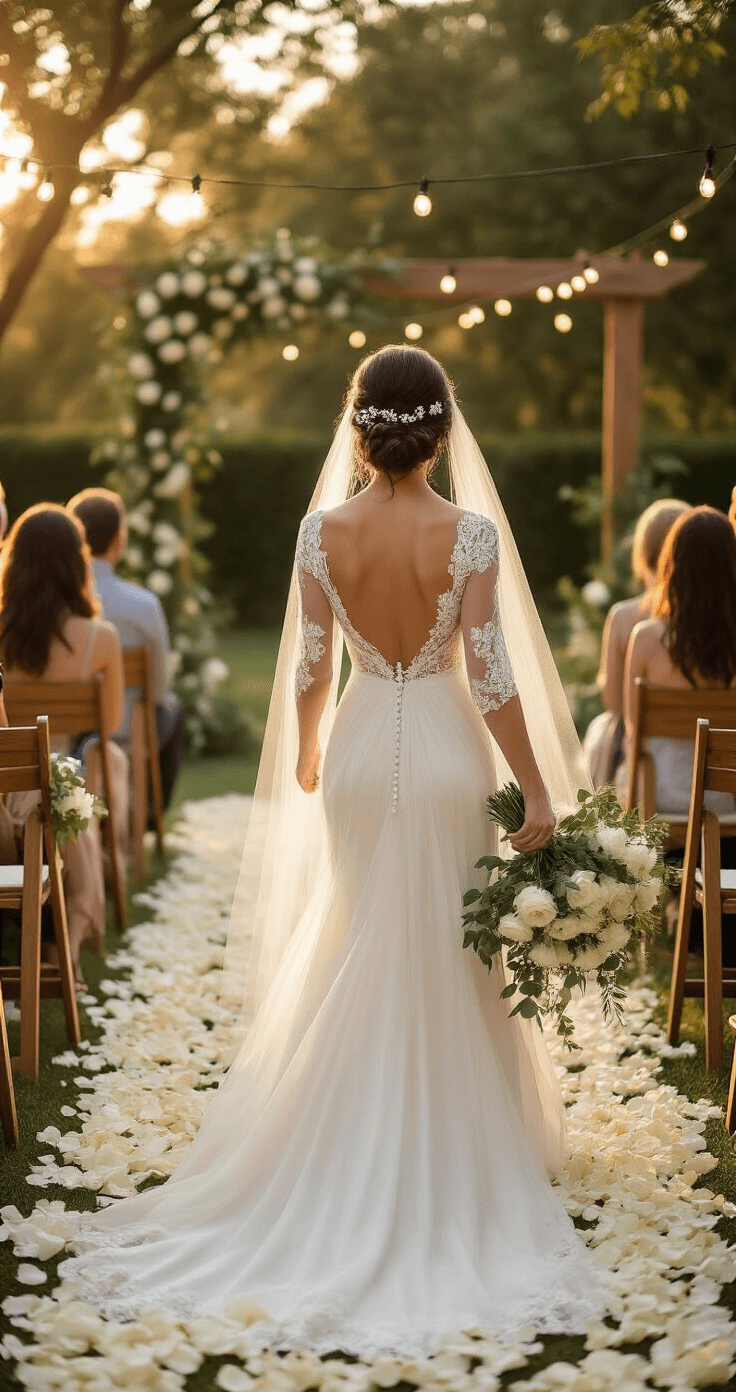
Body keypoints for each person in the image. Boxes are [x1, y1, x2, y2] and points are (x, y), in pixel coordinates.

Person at [61, 347, 602, 1350]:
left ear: (360, 429)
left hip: (357, 751)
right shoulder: (469, 533)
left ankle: (345, 1142)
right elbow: (486, 672)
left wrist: (311, 744)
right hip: (445, 755)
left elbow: (311, 664)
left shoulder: (322, 531)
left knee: (364, 934)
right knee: (449, 946)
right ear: (440, 431)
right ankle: (452, 1153)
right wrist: (532, 780)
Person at [0, 505, 126, 981]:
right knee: (83, 782)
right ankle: (69, 938)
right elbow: (110, 722)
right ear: (77, 564)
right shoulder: (101, 638)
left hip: (5, 783)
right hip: (61, 780)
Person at [68, 488, 185, 811]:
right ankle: (147, 818)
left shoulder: (53, 607)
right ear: (119, 540)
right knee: (173, 709)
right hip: (128, 729)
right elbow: (159, 689)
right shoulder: (143, 605)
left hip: (65, 731)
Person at [623, 505, 736, 817]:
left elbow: (632, 733)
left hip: (658, 797)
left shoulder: (646, 639)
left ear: (672, 565)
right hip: (726, 799)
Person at [583, 497, 690, 787]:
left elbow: (614, 702)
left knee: (603, 728)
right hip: (703, 764)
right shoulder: (717, 623)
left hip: (648, 769)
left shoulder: (625, 617)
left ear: (644, 553)